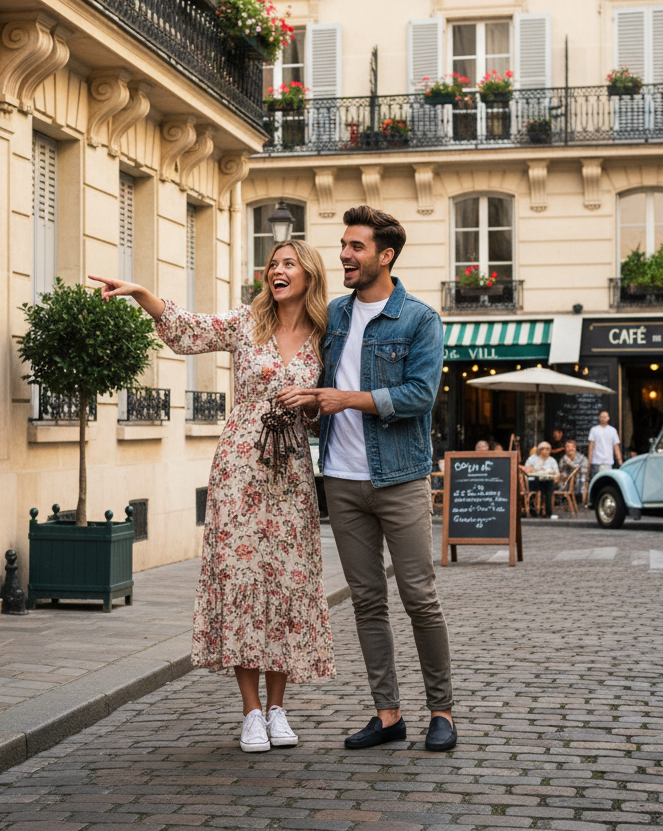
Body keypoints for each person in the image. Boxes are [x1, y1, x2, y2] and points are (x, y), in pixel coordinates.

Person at [89, 239, 335, 754]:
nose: (277, 270)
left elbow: (325, 408)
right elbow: (186, 328)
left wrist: (309, 401)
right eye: (273, 264)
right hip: (240, 469)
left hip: (290, 472)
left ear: (309, 276)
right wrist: (141, 294)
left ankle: (279, 710)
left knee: (285, 584)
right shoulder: (248, 323)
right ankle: (250, 714)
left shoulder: (325, 337)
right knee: (242, 579)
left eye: (288, 264)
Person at [277, 206, 456, 753]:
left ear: (386, 255)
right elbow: (320, 385)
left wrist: (346, 399)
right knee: (366, 601)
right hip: (341, 479)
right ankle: (388, 715)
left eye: (356, 247)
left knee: (419, 598)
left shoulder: (418, 319)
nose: (345, 256)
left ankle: (442, 711)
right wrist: (309, 404)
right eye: (344, 246)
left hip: (399, 477)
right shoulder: (332, 316)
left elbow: (421, 397)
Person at [522, 441, 560, 518]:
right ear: (539, 450)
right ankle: (534, 511)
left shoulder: (552, 460)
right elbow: (526, 470)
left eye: (547, 449)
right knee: (537, 488)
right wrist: (531, 470)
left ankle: (548, 512)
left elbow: (557, 473)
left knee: (549, 487)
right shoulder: (532, 459)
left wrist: (554, 474)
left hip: (547, 480)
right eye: (543, 449)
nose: (545, 451)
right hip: (534, 481)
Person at [588, 410, 622, 482]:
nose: (603, 418)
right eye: (601, 417)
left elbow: (616, 447)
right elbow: (591, 446)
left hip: (608, 462)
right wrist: (589, 461)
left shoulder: (612, 430)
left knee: (607, 481)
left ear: (608, 418)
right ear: (599, 418)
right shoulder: (594, 430)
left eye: (605, 417)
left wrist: (620, 461)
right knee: (596, 482)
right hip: (596, 461)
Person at [558, 438, 589, 503]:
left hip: (579, 479)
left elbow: (584, 471)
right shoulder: (563, 459)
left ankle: (581, 501)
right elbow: (560, 471)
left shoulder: (582, 458)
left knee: (584, 480)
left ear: (575, 448)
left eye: (572, 447)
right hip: (566, 481)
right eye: (568, 447)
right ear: (565, 449)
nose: (570, 449)